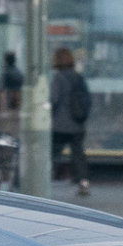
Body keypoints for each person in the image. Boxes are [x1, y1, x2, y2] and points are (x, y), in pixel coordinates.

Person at [49, 46, 92, 196]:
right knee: (78, 155)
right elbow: (87, 99)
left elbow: (54, 99)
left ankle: (46, 179)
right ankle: (83, 182)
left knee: (53, 153)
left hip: (59, 125)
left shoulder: (57, 77)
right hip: (77, 123)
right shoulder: (78, 76)